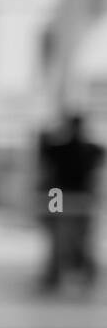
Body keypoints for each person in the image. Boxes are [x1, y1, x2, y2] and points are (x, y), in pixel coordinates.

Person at [40, 112, 104, 292]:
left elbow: (44, 147)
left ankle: (59, 273)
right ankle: (74, 272)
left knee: (62, 237)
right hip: (75, 196)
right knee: (76, 237)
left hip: (62, 195)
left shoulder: (61, 148)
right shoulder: (89, 149)